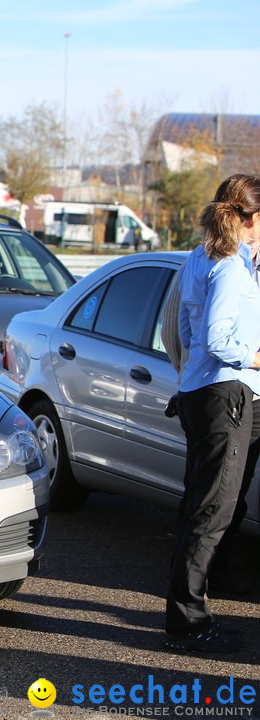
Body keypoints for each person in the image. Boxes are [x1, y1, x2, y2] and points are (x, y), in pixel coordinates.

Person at [166, 174, 260, 653]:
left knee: (206, 504)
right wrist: (258, 355)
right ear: (250, 218)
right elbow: (221, 341)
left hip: (205, 391)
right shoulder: (228, 268)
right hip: (225, 393)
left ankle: (194, 601)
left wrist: (187, 377)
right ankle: (188, 619)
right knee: (212, 510)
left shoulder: (202, 258)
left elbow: (181, 327)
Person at [161, 259, 259, 596]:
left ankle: (205, 581)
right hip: (227, 391)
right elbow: (180, 333)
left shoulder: (238, 263)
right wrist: (190, 377)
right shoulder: (223, 265)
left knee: (226, 497)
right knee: (212, 501)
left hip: (231, 392)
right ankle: (188, 606)